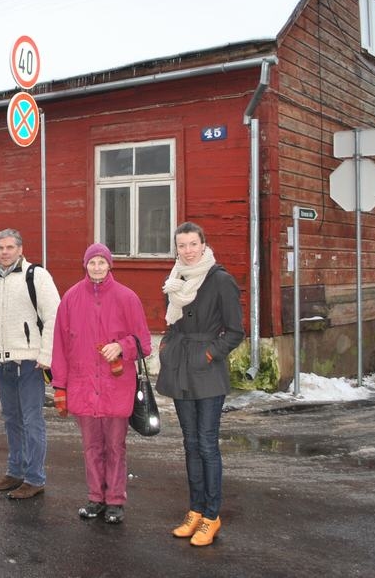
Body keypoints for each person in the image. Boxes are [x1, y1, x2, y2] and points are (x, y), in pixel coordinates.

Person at [155, 222, 245, 546]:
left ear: (204, 245)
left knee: (207, 444)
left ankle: (211, 515)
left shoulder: (220, 280)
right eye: (182, 245)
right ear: (176, 248)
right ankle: (194, 510)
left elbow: (236, 331)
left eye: (193, 244)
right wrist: (166, 346)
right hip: (179, 367)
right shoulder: (174, 280)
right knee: (190, 443)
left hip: (207, 372)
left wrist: (209, 354)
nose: (188, 250)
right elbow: (171, 321)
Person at [50, 243, 151, 525]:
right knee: (91, 446)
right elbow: (59, 345)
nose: (97, 267)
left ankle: (116, 500)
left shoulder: (127, 298)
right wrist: (60, 385)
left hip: (115, 385)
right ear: (85, 265)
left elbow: (144, 342)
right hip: (82, 384)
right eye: (92, 262)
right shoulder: (70, 298)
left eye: (101, 262)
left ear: (109, 265)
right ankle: (96, 498)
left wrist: (121, 346)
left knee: (115, 446)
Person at [0, 228, 60, 500]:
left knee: (32, 420)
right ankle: (15, 471)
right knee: (11, 420)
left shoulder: (37, 276)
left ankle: (34, 478)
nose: (5, 252)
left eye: (10, 247)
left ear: (20, 249)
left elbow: (55, 316)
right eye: (0, 248)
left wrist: (46, 355)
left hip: (30, 363)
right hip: (3, 364)